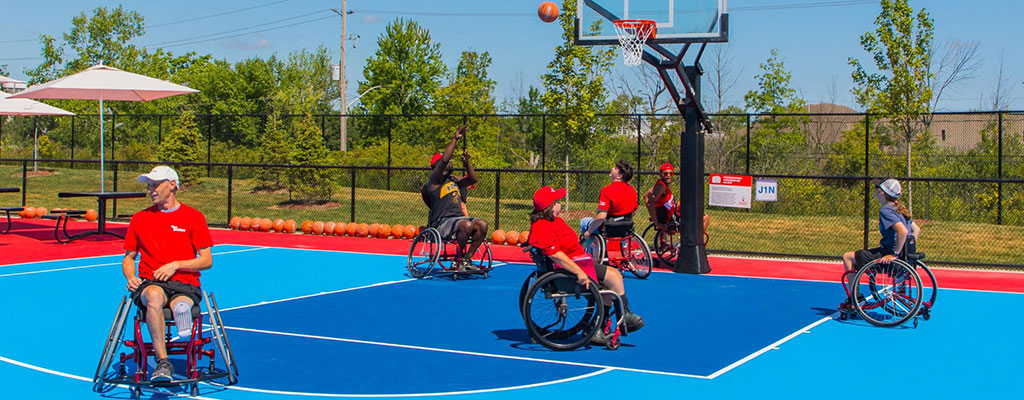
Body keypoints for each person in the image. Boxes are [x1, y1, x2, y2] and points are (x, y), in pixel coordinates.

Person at [122, 166, 213, 383]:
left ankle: (181, 311)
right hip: (150, 282)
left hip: (184, 282)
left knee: (180, 303)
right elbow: (128, 258)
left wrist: (175, 265)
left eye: (155, 185)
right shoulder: (139, 218)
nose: (151, 190)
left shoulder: (194, 217)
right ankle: (163, 362)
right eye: (149, 186)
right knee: (154, 295)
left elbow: (206, 260)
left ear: (172, 185)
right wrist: (130, 277)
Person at [528, 186, 644, 344]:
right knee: (614, 277)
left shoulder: (550, 222)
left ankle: (605, 323)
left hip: (578, 261)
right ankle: (620, 317)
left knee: (609, 280)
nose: (560, 205)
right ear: (551, 206)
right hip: (571, 267)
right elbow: (555, 254)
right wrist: (578, 272)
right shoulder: (543, 227)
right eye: (557, 202)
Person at [840, 178, 920, 305]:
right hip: (902, 258)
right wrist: (906, 250)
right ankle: (857, 297)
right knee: (862, 254)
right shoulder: (900, 209)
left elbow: (903, 232)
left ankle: (855, 298)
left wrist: (895, 254)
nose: (875, 190)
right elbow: (915, 230)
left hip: (888, 255)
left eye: (878, 188)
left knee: (848, 257)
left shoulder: (886, 210)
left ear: (882, 193)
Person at [420, 126, 489, 271]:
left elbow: (473, 179)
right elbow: (445, 160)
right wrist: (455, 139)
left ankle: (466, 259)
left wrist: (467, 164)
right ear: (436, 167)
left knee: (482, 224)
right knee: (466, 225)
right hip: (442, 222)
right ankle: (456, 261)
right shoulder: (434, 182)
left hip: (458, 219)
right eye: (446, 162)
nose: (450, 163)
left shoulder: (454, 180)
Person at [644, 162, 710, 237]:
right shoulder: (660, 188)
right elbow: (650, 203)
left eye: (671, 173)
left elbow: (645, 196)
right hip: (672, 220)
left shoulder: (660, 184)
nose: (668, 176)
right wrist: (657, 223)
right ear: (660, 174)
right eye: (665, 173)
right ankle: (695, 242)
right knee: (705, 218)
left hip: (673, 213)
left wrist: (656, 212)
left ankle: (688, 240)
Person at [580, 161, 638, 240]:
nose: (612, 168)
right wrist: (622, 219)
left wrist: (589, 232)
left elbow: (601, 216)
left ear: (619, 176)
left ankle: (592, 250)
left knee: (585, 221)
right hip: (626, 227)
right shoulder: (632, 190)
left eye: (615, 168)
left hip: (609, 228)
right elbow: (634, 211)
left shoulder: (606, 190)